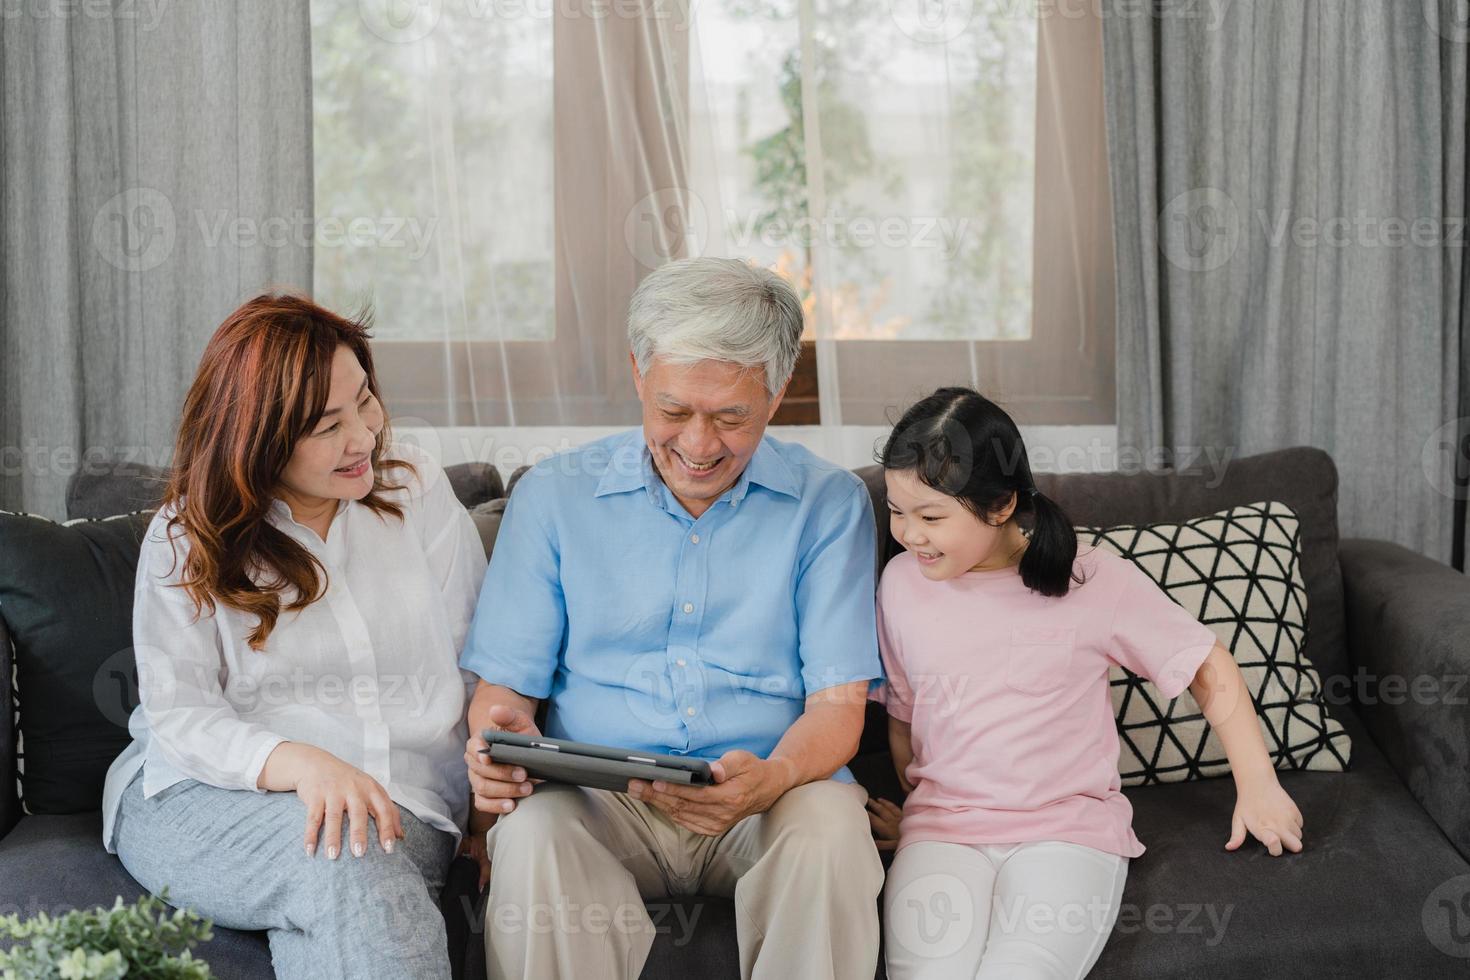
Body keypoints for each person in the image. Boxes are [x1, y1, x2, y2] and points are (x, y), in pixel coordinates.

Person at [460, 256, 886, 979]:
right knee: (532, 835)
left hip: (766, 802)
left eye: (730, 417)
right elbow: (503, 696)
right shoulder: (554, 499)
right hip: (600, 808)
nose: (697, 445)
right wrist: (498, 744)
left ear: (778, 392)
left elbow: (839, 709)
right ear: (637, 373)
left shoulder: (830, 504)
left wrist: (774, 775)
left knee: (833, 825)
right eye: (674, 411)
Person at [102, 294, 486, 980]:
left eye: (365, 402)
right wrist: (305, 763)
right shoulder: (188, 535)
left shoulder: (417, 492)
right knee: (351, 862)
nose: (365, 437)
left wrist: (493, 818)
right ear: (259, 440)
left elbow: (478, 666)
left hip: (403, 808)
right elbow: (180, 714)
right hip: (203, 798)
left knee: (355, 863)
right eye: (328, 426)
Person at [866, 386, 1305, 979]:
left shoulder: (1093, 579)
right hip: (943, 833)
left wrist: (1258, 785)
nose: (909, 534)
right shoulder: (901, 584)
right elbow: (905, 715)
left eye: (931, 516)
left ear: (1000, 506)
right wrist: (917, 811)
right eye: (897, 510)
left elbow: (1206, 664)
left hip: (1065, 833)